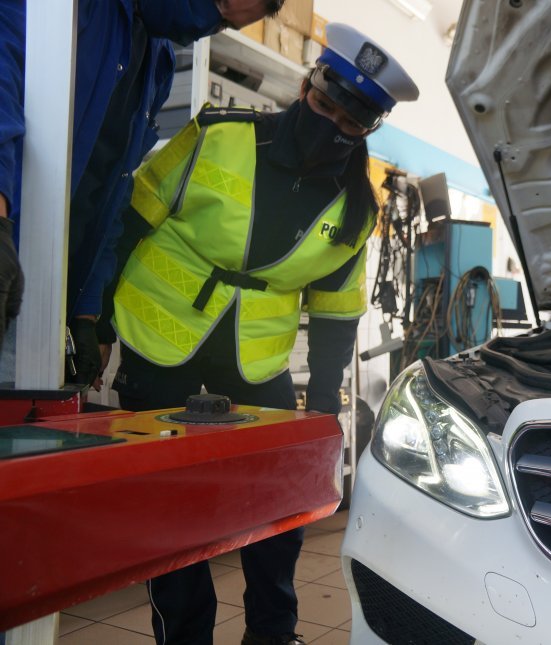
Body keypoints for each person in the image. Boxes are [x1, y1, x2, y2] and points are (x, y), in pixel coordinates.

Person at [100, 23, 419, 645]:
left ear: (368, 129)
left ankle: (273, 634)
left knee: (277, 503)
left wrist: (324, 405)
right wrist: (94, 320)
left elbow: (335, 312)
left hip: (255, 364)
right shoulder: (217, 135)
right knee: (171, 506)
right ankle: (185, 635)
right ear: (306, 87)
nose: (332, 125)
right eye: (325, 104)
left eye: (351, 122)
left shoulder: (356, 210)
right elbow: (130, 220)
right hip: (155, 337)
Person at [0, 0, 282, 372]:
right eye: (220, 4)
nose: (207, 24)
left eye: (224, 25)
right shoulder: (69, 8)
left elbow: (111, 192)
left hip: (48, 293)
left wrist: (87, 312)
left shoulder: (156, 60)